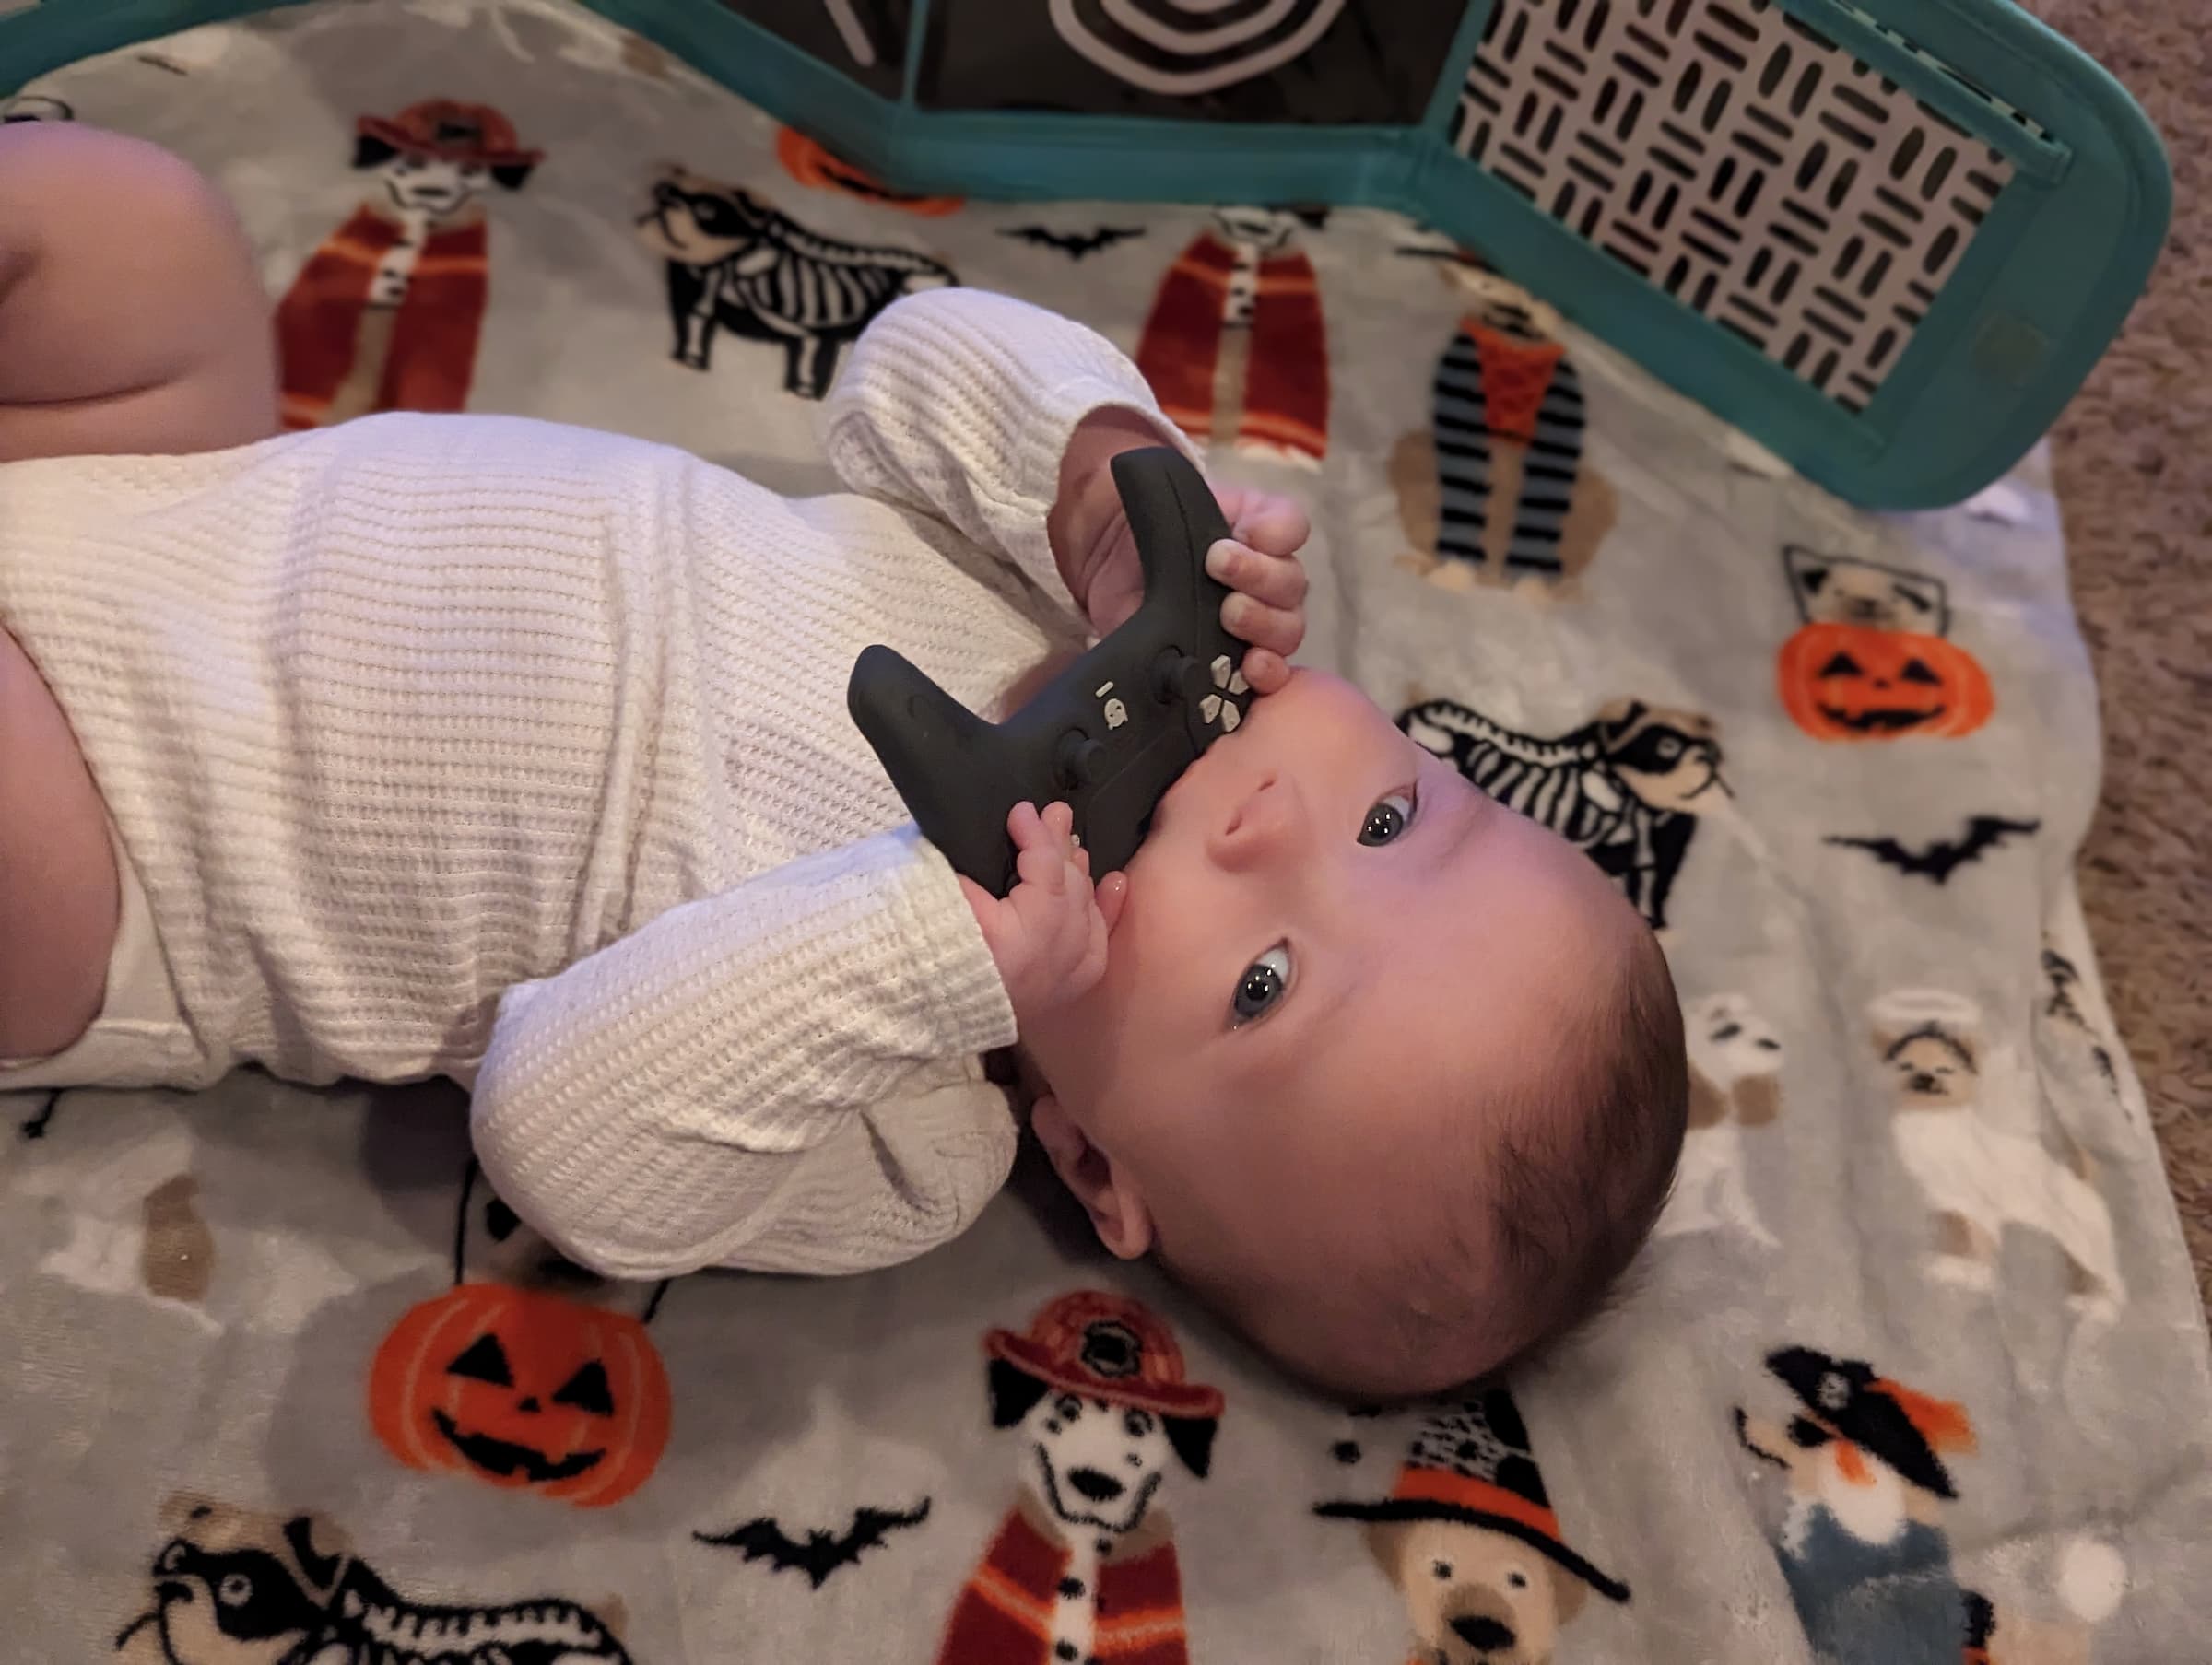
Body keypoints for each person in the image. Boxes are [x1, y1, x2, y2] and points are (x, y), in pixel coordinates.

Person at [0, 126, 1685, 1397]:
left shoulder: (907, 1141)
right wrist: (1101, 480)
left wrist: (928, 948)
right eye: (1389, 815)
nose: (1264, 822)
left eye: (1265, 984)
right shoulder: (1087, 597)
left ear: (1095, 1161)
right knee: (132, 226)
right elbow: (900, 366)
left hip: (126, 837)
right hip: (176, 493)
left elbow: (558, 1133)